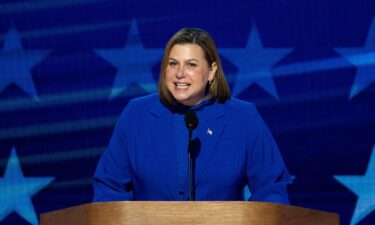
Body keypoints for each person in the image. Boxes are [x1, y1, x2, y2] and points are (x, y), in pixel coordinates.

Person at [93, 28, 292, 203]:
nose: (180, 73)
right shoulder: (136, 114)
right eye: (173, 63)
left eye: (191, 65)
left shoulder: (243, 117)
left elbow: (271, 188)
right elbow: (109, 187)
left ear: (212, 71)